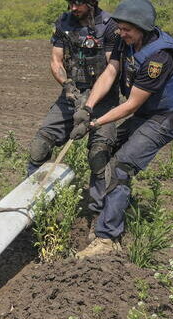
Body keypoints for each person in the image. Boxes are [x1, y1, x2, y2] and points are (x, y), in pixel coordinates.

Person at [74, 0, 173, 257]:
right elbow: (110, 72)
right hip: (144, 114)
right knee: (102, 149)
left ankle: (107, 239)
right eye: (119, 28)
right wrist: (88, 108)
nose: (121, 34)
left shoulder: (160, 56)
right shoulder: (123, 40)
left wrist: (94, 124)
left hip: (163, 118)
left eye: (127, 30)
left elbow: (132, 105)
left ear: (143, 28)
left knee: (122, 165)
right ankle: (102, 211)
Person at [27, 0, 120, 220]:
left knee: (99, 155)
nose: (73, 8)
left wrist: (89, 101)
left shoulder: (109, 26)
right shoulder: (64, 22)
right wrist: (68, 86)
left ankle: (99, 216)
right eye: (70, 3)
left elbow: (112, 69)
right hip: (70, 95)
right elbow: (56, 60)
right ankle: (33, 202)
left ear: (92, 3)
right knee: (39, 146)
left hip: (103, 100)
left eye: (78, 4)